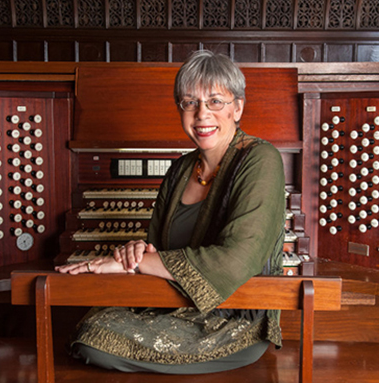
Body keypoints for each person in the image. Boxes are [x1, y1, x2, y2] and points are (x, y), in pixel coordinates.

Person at [56, 50, 285, 374]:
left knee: (95, 341)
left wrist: (134, 264)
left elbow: (237, 260)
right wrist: (136, 254)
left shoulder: (261, 160)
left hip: (233, 317)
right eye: (190, 103)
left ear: (238, 107)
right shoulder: (179, 170)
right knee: (88, 326)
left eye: (215, 102)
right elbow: (157, 250)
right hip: (171, 302)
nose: (201, 114)